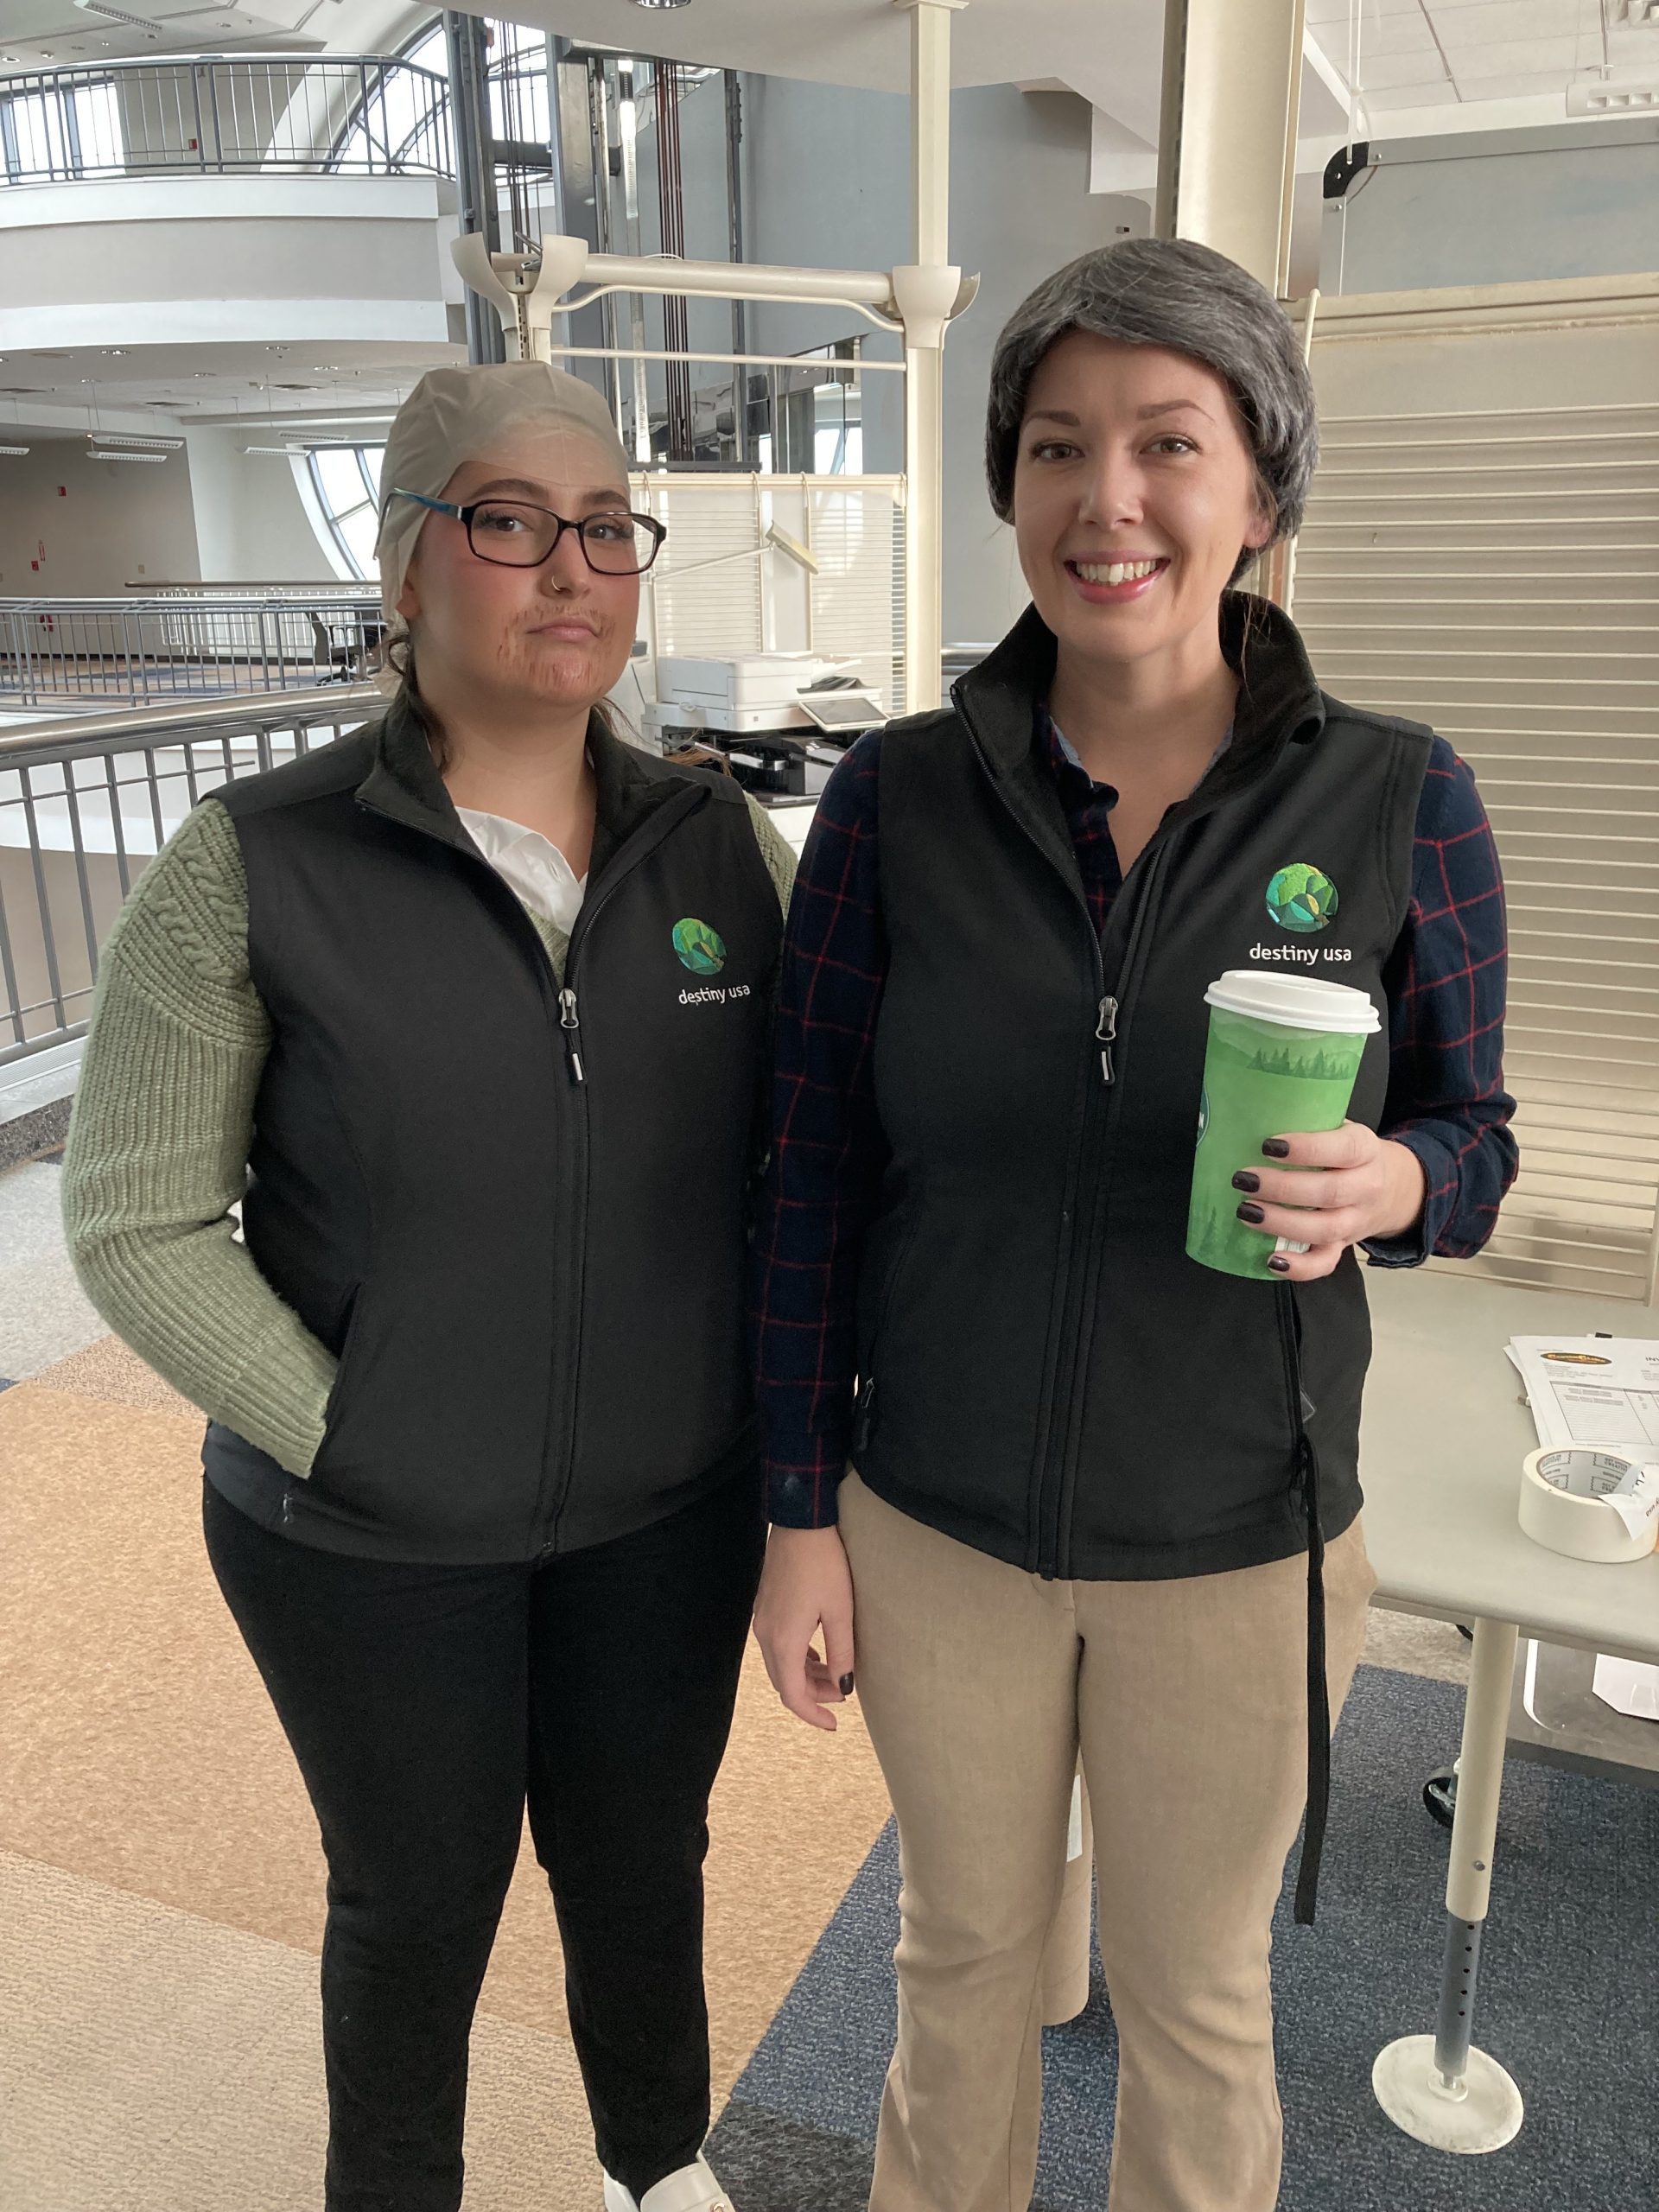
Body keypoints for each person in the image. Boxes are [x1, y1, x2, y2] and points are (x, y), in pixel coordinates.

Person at [749, 238, 1518, 2212]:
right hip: (940, 1521)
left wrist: (1399, 1182)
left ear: (1261, 488)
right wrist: (797, 1510)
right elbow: (807, 1175)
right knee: (960, 1966)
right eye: (1057, 445)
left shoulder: (1399, 799)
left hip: (1241, 1536)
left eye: (1170, 442)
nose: (1110, 499)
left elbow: (1476, 1138)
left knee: (1196, 1997)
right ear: (1010, 483)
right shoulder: (898, 802)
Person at [63, 360, 797, 2212]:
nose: (571, 569)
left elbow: (821, 1151)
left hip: (669, 1507)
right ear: (403, 565)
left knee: (644, 1864)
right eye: (509, 520)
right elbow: (136, 1222)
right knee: (416, 1900)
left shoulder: (721, 846)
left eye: (607, 529)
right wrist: (354, 1430)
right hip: (365, 1530)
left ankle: (657, 2165)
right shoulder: (256, 862)